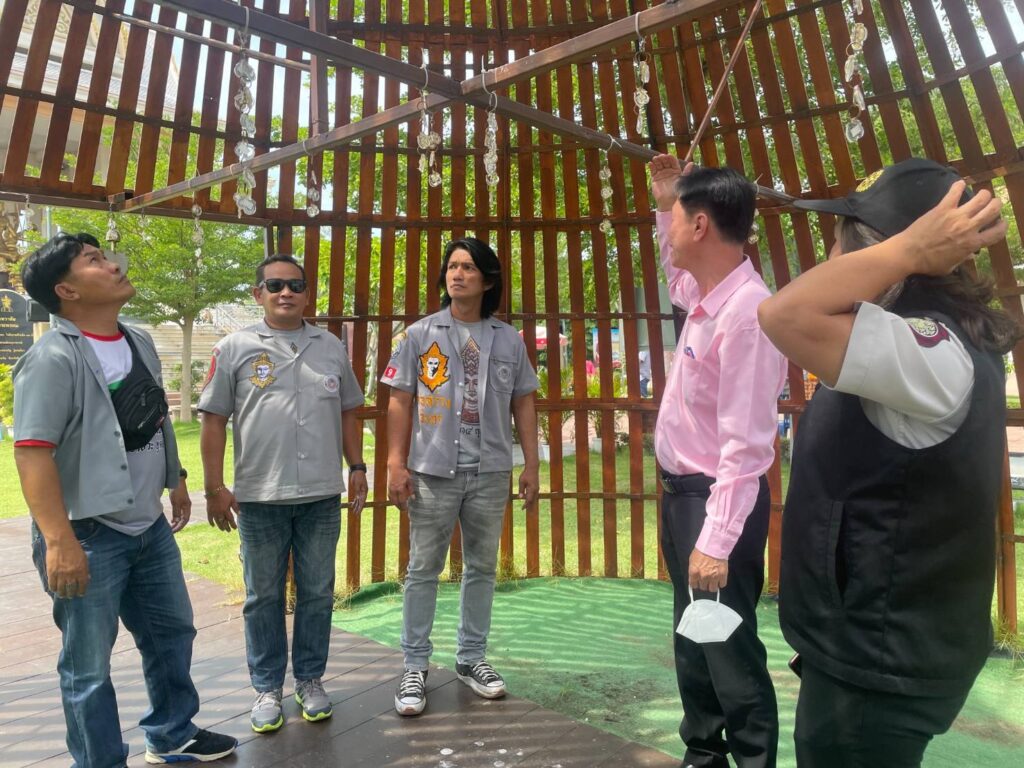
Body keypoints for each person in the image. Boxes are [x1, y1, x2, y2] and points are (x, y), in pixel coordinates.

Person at [758, 158, 1016, 767]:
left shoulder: (929, 349)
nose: (830, 256)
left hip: (882, 661)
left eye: (842, 239)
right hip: (872, 648)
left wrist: (908, 251)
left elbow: (782, 314)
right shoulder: (910, 339)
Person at [13, 233, 237, 766]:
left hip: (147, 526)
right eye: (94, 260)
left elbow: (154, 416)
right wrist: (59, 541)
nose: (113, 265)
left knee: (171, 634)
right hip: (87, 533)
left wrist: (175, 477)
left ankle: (172, 733)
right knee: (88, 665)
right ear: (67, 290)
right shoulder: (52, 358)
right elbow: (32, 453)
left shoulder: (137, 340)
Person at [650, 156, 787, 768]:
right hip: (684, 496)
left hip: (717, 502)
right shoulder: (707, 295)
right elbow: (674, 275)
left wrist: (717, 539)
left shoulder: (748, 315)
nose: (670, 231)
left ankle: (754, 760)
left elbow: (747, 448)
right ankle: (703, 753)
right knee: (694, 635)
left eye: (677, 219)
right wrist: (665, 201)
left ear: (701, 225)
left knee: (727, 644)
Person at [198, 254, 367, 733]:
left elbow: (348, 411)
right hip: (259, 497)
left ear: (308, 294)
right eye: (274, 285)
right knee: (263, 596)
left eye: (295, 285)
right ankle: (267, 687)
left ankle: (310, 680)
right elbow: (213, 420)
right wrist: (214, 488)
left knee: (316, 592)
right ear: (258, 294)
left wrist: (357, 466)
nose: (285, 293)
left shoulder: (330, 347)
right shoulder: (234, 348)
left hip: (320, 495)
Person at [381, 237, 540, 716]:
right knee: (422, 569)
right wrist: (395, 463)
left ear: (487, 281)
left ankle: (471, 658)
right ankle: (414, 666)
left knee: (482, 568)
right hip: (432, 471)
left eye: (468, 267)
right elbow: (399, 400)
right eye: (452, 266)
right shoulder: (418, 335)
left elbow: (524, 401)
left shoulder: (508, 339)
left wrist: (531, 463)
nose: (457, 274)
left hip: (490, 471)